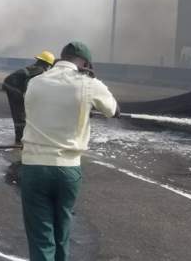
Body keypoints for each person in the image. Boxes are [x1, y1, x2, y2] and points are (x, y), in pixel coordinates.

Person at [20, 42, 119, 261]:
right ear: (84, 63)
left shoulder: (35, 82)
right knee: (62, 231)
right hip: (67, 169)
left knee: (41, 236)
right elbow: (113, 110)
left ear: (61, 58)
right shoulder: (89, 84)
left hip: (34, 166)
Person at [2, 51, 55, 144]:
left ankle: (21, 137)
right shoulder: (39, 71)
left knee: (20, 114)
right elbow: (28, 85)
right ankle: (20, 141)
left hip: (10, 85)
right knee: (20, 114)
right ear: (47, 64)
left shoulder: (35, 68)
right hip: (13, 89)